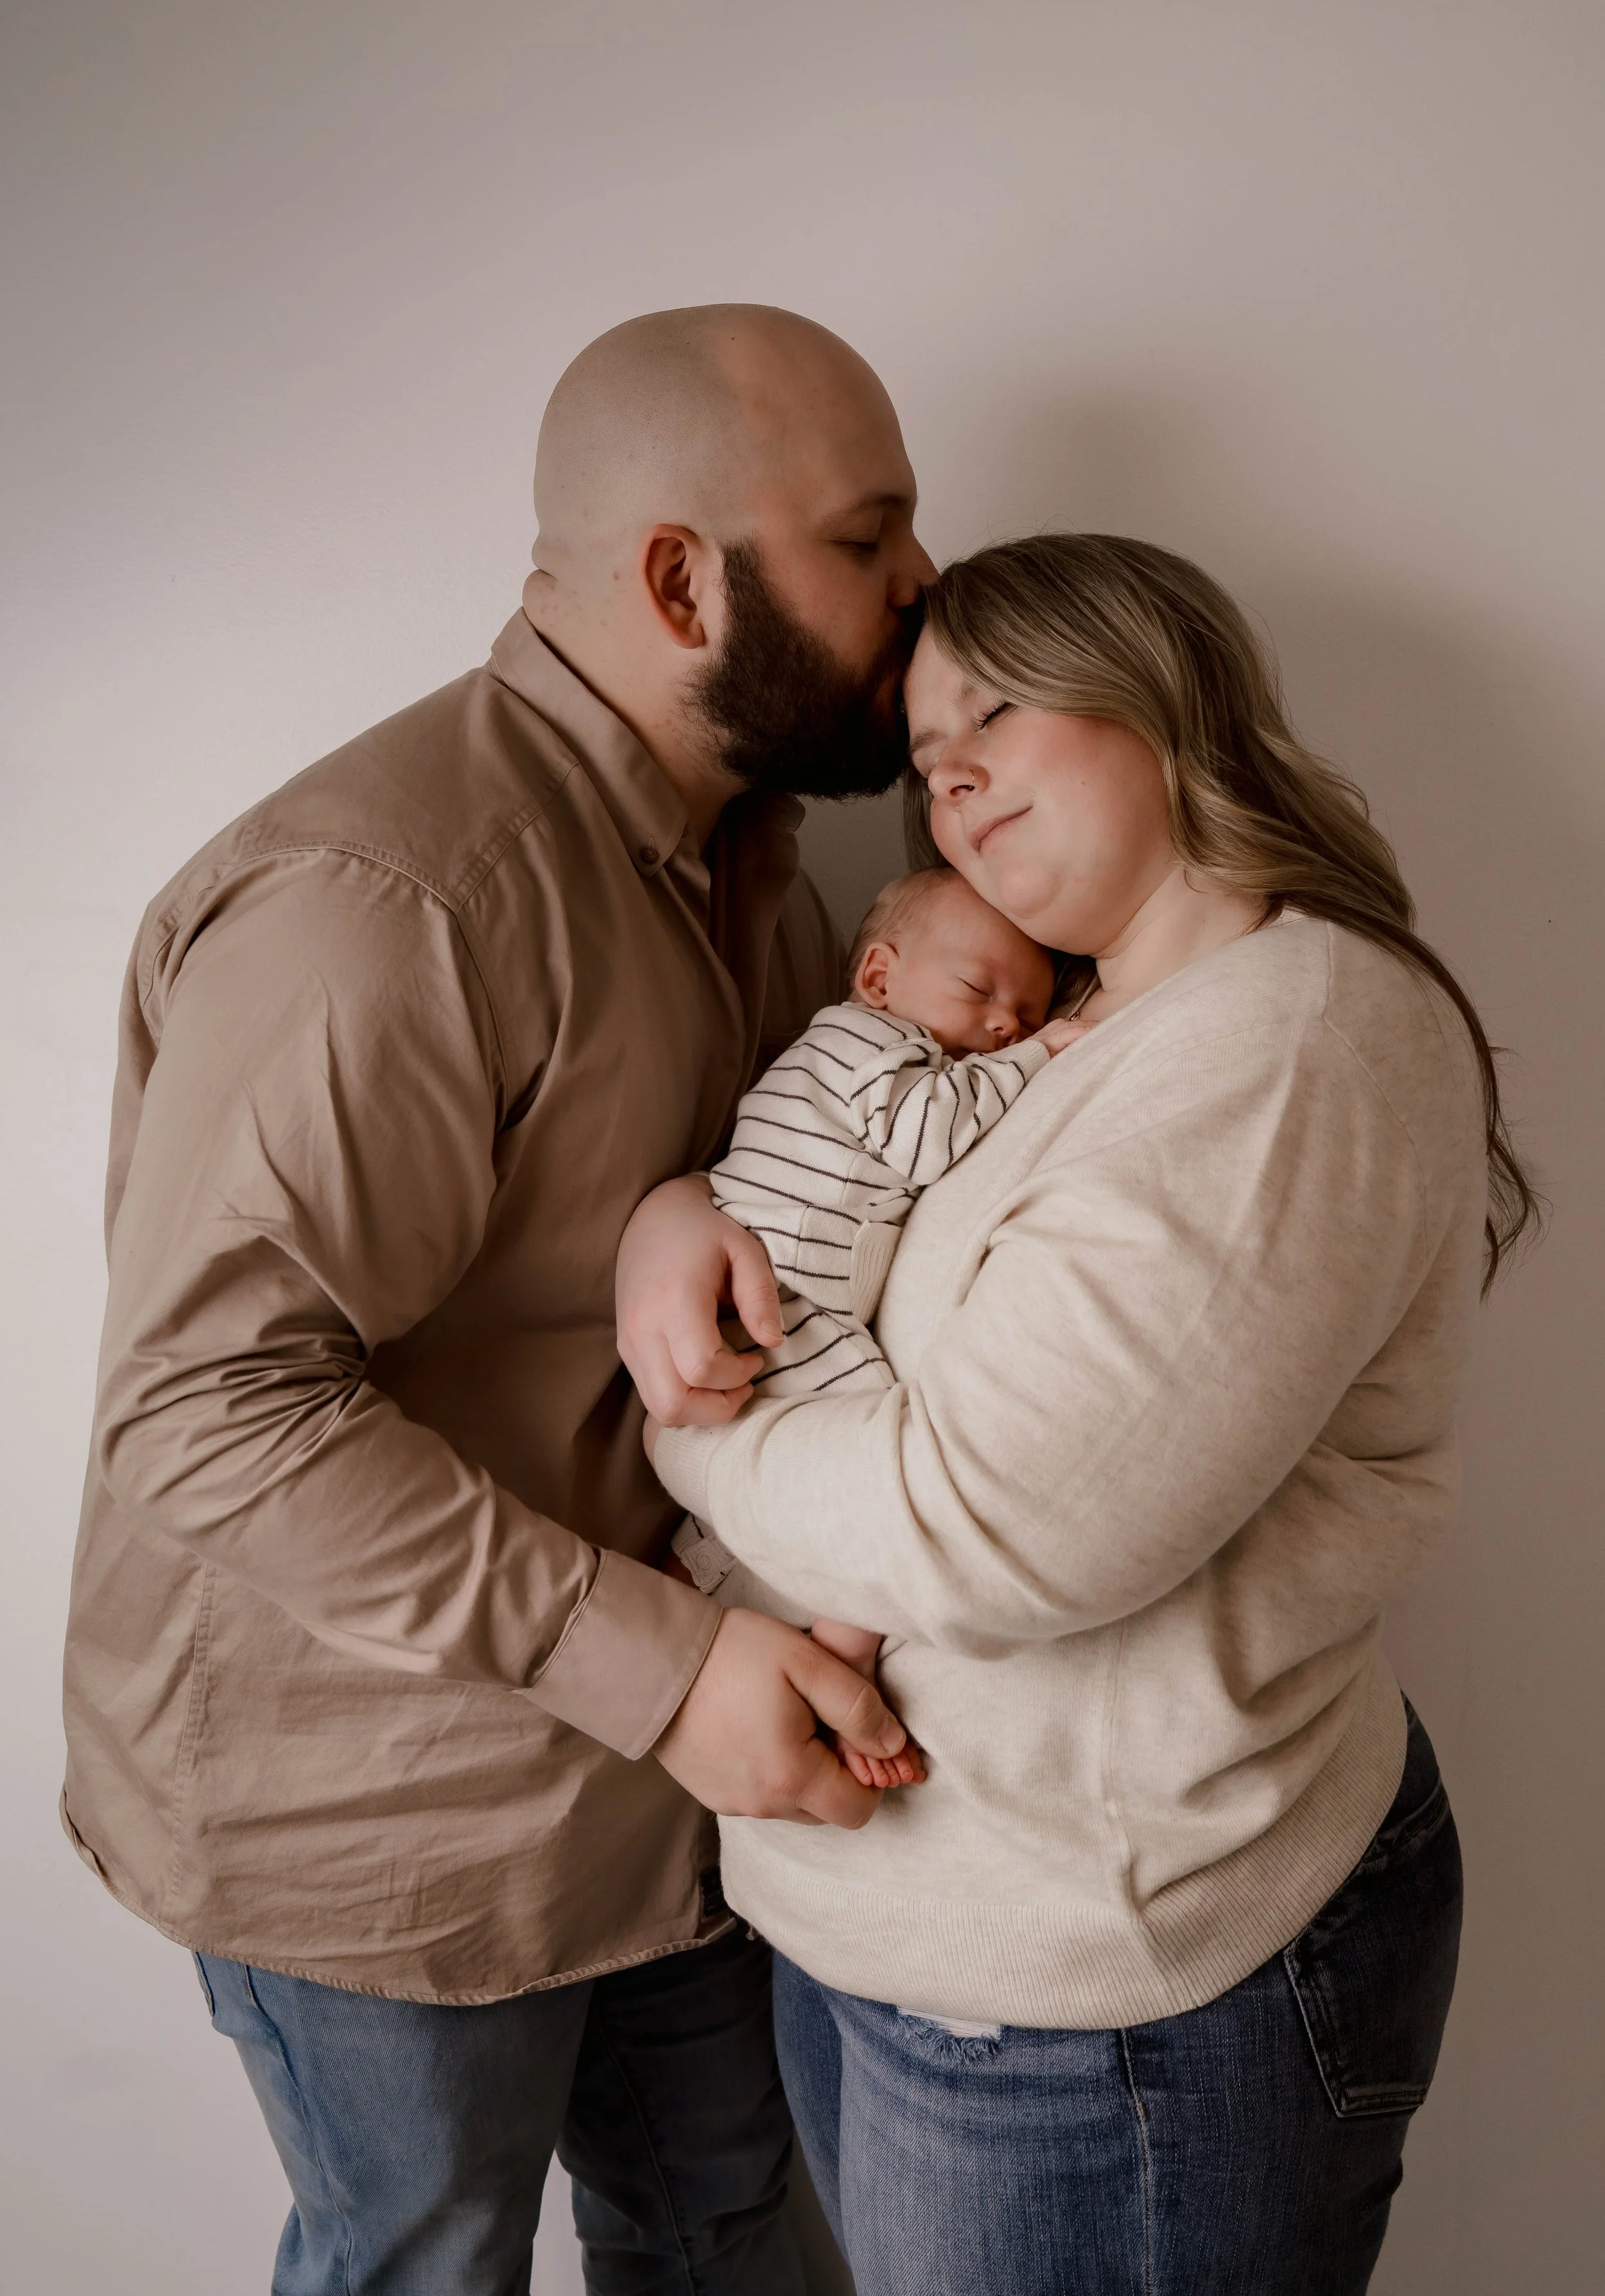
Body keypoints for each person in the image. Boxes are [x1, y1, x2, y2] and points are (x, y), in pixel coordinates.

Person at [60, 304, 936, 2296]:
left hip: (667, 1779)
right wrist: (669, 1667)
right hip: (370, 1812)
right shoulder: (396, 903)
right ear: (677, 578)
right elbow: (205, 1410)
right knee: (426, 2263)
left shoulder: (768, 872)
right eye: (870, 537)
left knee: (733, 2237)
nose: (922, 588)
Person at [620, 532, 1540, 2296]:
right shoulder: (1058, 1020)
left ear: (1164, 698)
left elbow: (990, 1531)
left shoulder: (1282, 1048)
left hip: (1101, 2003)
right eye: (923, 746)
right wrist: (677, 1222)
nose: (946, 767)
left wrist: (683, 1409)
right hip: (904, 1936)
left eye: (998, 709)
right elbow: (833, 1215)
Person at [671, 863, 1075, 1789]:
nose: (1007, 1021)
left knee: (770, 1496)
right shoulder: (861, 1044)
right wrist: (1042, 1056)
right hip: (782, 1302)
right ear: (880, 977)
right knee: (877, 1481)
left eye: (1029, 1008)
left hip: (779, 1300)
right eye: (981, 991)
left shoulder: (884, 1049)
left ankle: (701, 1581)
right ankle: (845, 1658)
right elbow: (925, 1139)